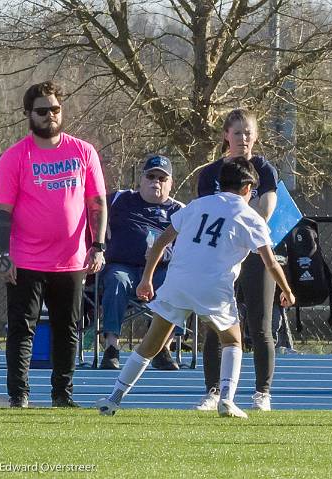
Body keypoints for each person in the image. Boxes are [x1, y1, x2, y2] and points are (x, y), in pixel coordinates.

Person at [96, 158, 295, 417]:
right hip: (213, 285)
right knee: (233, 341)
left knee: (149, 345)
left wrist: (146, 278)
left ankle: (113, 399)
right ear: (248, 189)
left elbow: (160, 243)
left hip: (178, 281)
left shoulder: (197, 205)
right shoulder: (250, 216)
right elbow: (270, 262)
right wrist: (287, 290)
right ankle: (226, 399)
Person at [0, 81, 107, 408]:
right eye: (42, 111)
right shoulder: (16, 157)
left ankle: (62, 395)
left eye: (55, 109)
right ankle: (19, 395)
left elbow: (96, 202)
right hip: (26, 259)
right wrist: (4, 255)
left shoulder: (83, 152)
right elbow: (2, 211)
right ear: (28, 114)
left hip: (71, 259)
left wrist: (97, 245)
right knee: (21, 329)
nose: (50, 117)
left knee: (67, 329)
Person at [194, 108, 279, 412]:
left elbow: (265, 209)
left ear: (256, 136)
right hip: (220, 257)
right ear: (225, 136)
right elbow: (206, 213)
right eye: (237, 132)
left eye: (248, 132)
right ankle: (213, 391)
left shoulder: (264, 169)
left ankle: (262, 393)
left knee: (260, 324)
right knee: (217, 325)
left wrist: (243, 219)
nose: (243, 138)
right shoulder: (210, 173)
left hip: (255, 254)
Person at [99, 155, 184, 370]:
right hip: (123, 267)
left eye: (162, 178)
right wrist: (97, 242)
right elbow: (90, 209)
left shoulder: (180, 211)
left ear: (170, 183)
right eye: (151, 176)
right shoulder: (119, 199)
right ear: (142, 179)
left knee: (177, 285)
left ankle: (162, 348)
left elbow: (188, 250)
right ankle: (111, 348)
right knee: (117, 280)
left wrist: (163, 254)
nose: (156, 181)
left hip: (161, 271)